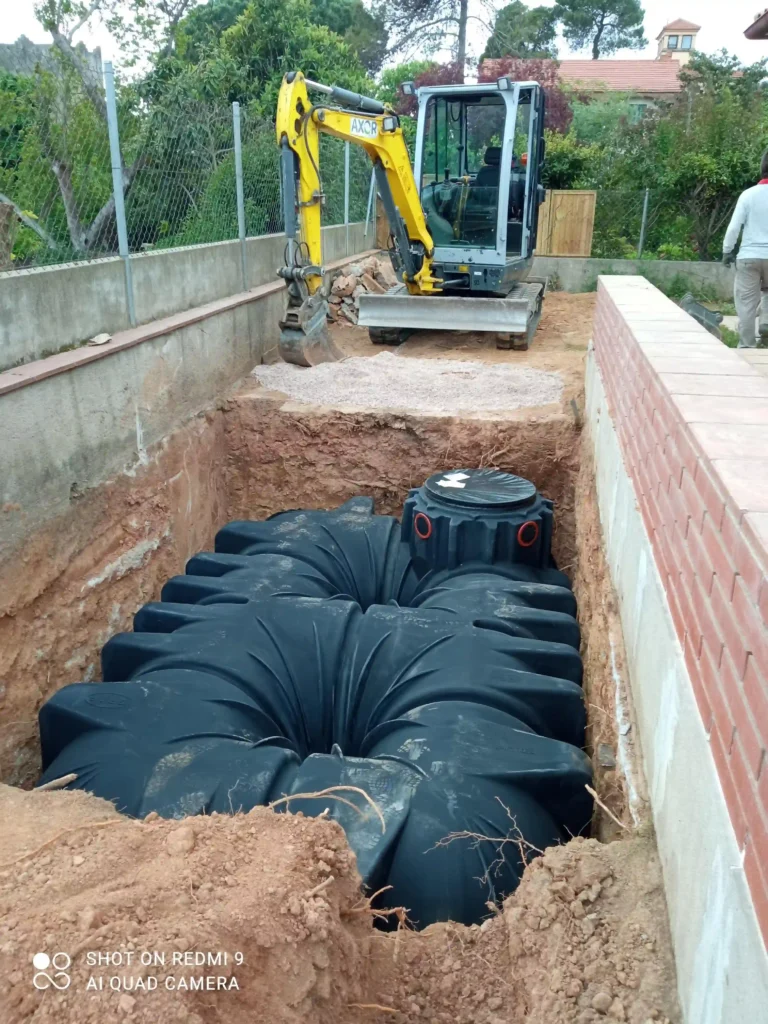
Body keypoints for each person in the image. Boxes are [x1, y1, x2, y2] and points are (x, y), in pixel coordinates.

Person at [722, 150, 768, 349]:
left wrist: (727, 251)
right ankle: (766, 322)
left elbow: (734, 227)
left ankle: (747, 347)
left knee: (747, 304)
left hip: (749, 256)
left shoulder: (748, 195)